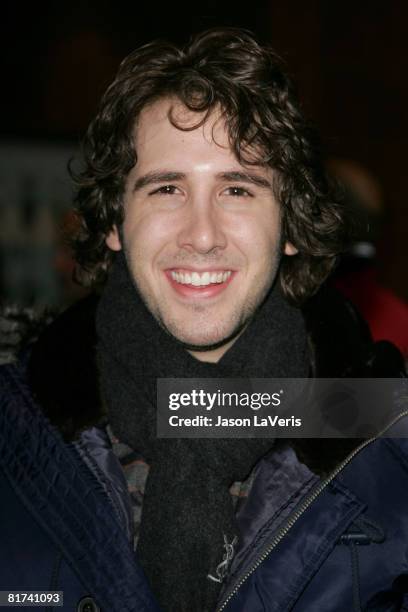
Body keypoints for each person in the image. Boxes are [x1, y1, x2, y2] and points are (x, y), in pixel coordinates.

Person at [0, 28, 407, 612]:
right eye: (166, 189)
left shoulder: (386, 449)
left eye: (237, 190)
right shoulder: (19, 432)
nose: (202, 235)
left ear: (290, 226)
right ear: (115, 223)